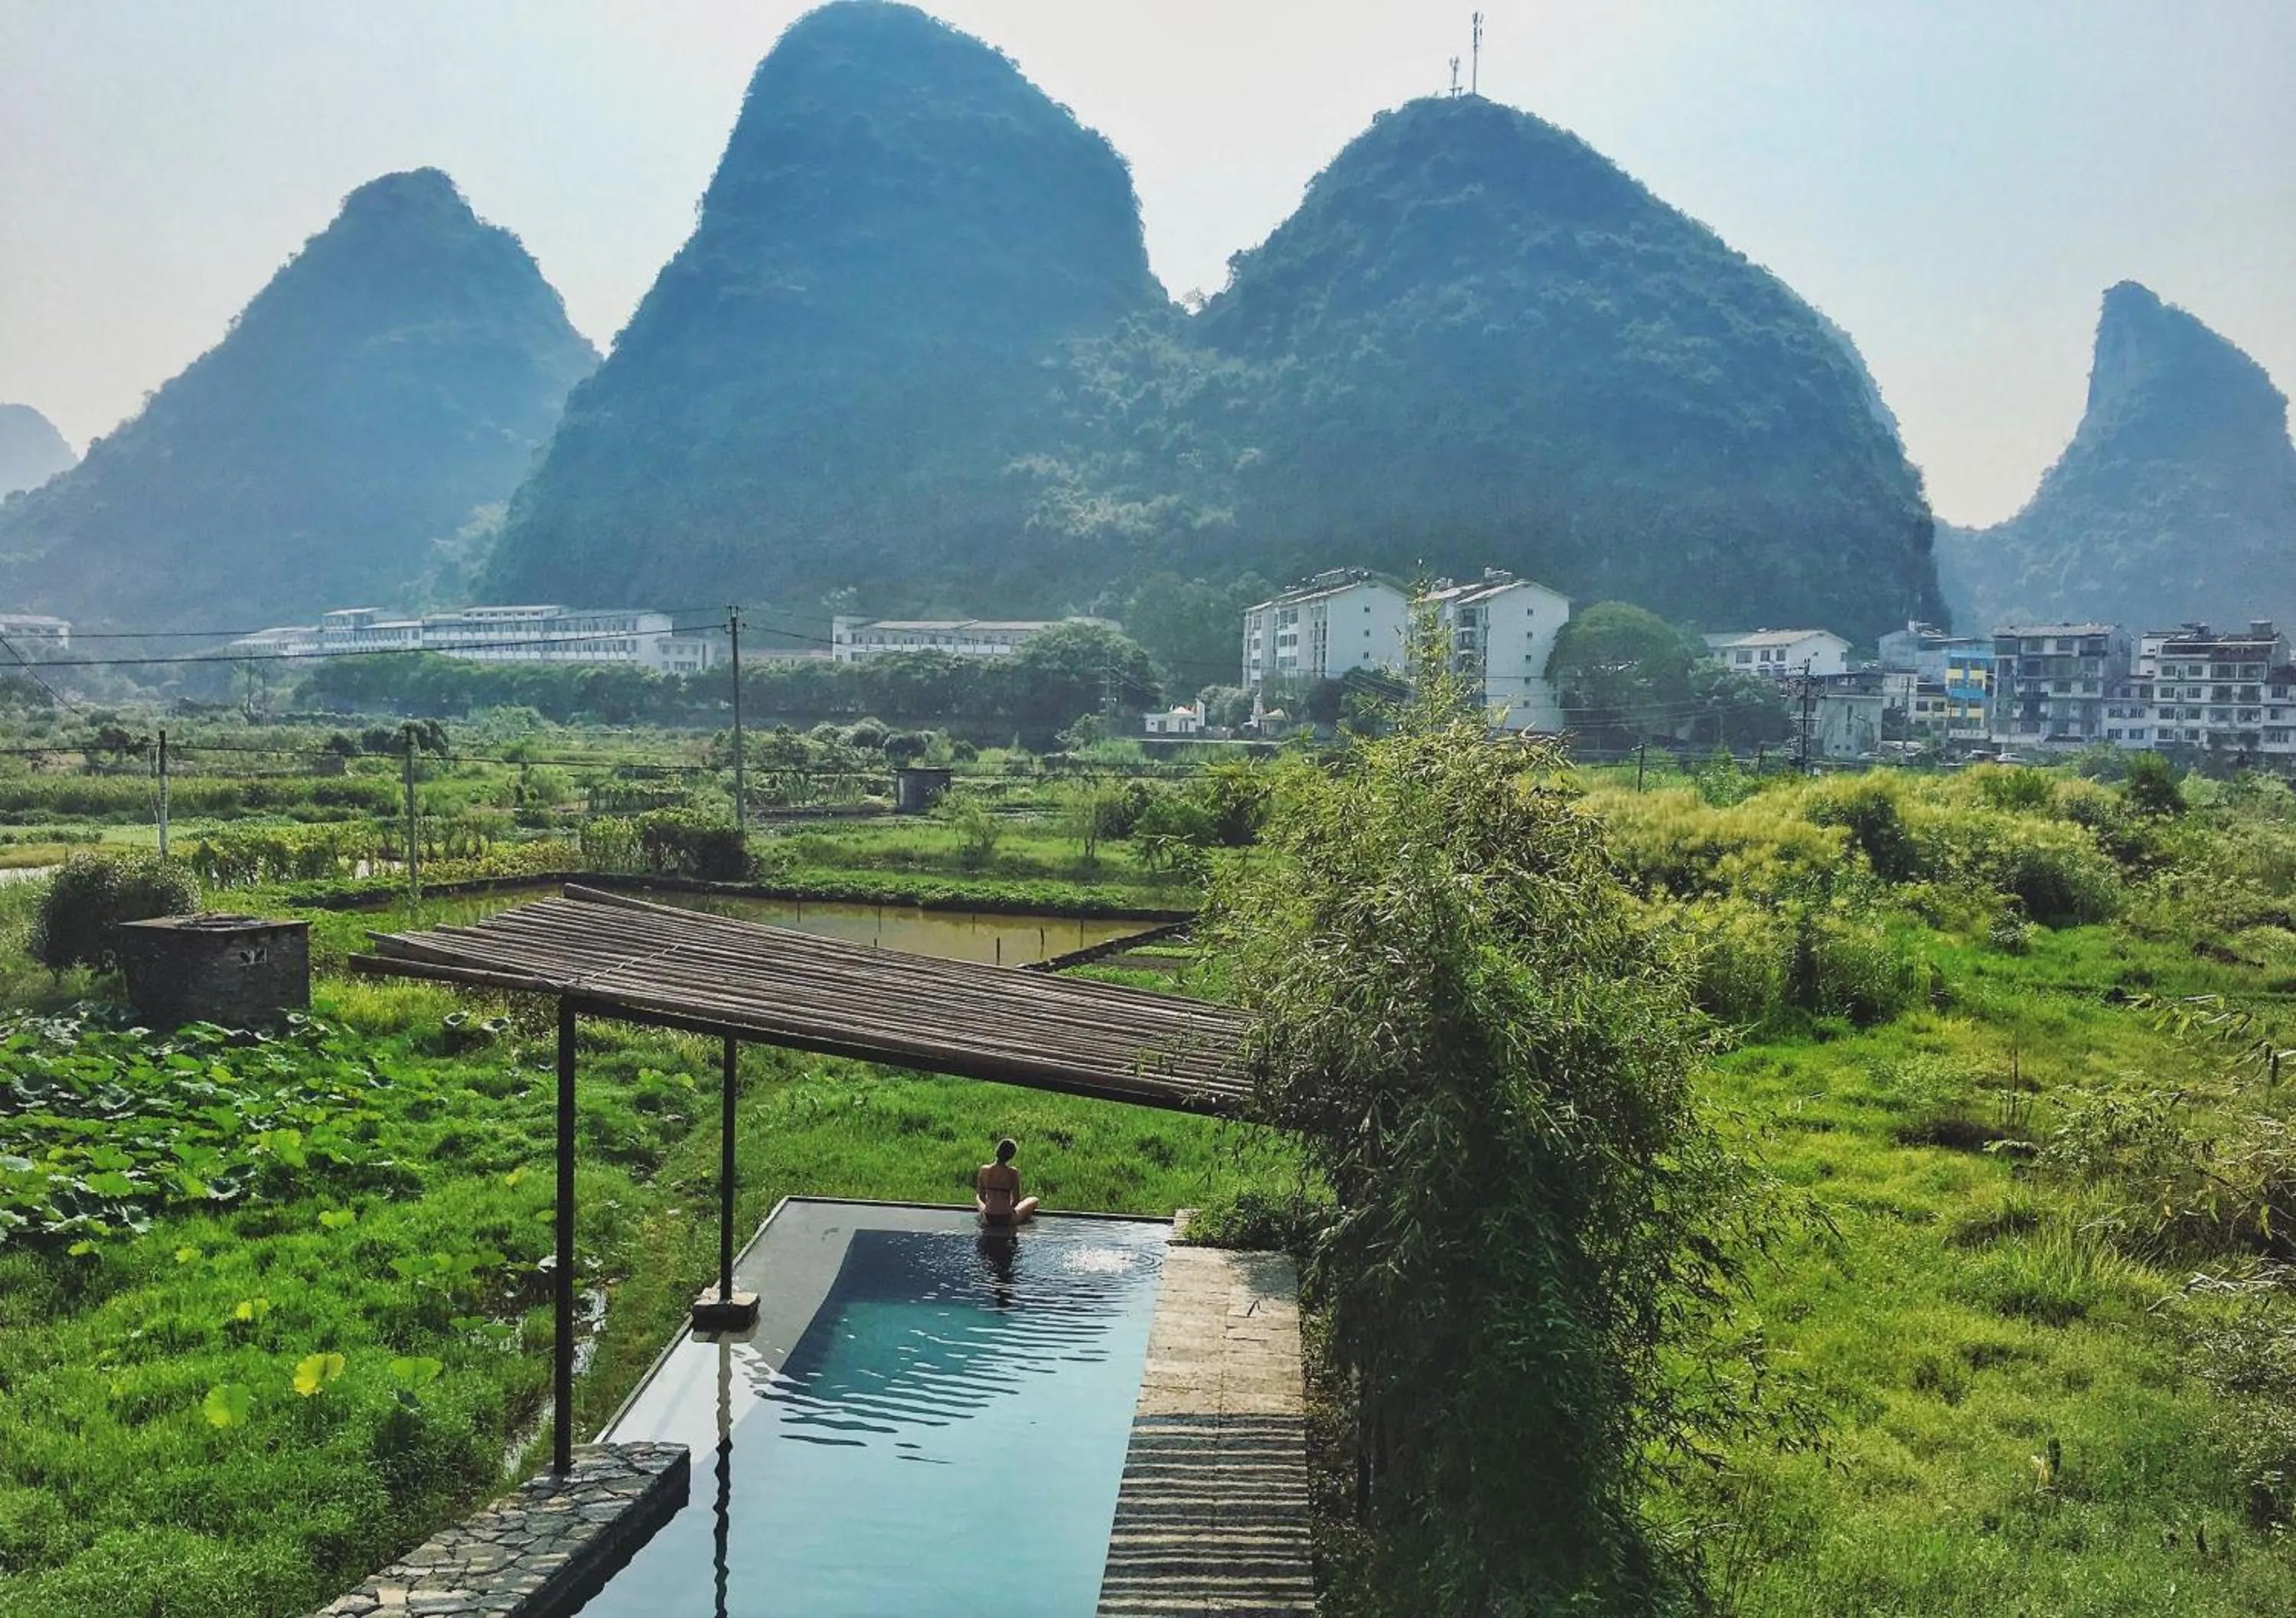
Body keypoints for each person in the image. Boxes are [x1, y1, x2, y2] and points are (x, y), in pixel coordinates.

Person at [975, 1137, 1039, 1226]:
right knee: (1034, 1200)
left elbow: (982, 1198)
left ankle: (986, 1217)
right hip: (1007, 1218)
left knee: (977, 1197)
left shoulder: (984, 1170)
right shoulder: (1012, 1172)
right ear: (1011, 1156)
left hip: (988, 1217)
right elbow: (1016, 1200)